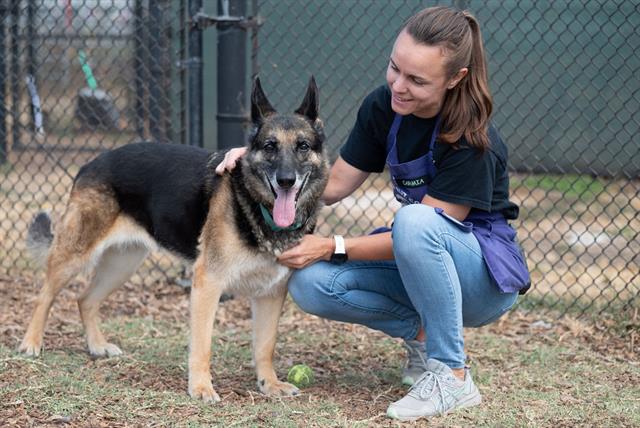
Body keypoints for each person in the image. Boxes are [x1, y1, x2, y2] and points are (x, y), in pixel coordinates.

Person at [217, 5, 530, 421]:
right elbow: (336, 184)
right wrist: (266, 164)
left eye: (417, 80)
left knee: (415, 221)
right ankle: (422, 336)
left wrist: (331, 245)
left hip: (483, 281)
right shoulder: (385, 107)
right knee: (310, 283)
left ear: (456, 79)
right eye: (394, 68)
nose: (399, 85)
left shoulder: (473, 137)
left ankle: (452, 376)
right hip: (420, 260)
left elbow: (423, 232)